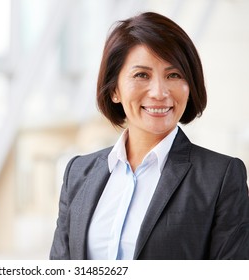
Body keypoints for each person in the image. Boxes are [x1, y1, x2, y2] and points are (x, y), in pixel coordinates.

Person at [50, 12, 249, 260]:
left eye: (174, 75)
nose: (159, 92)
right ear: (114, 90)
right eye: (141, 75)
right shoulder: (78, 173)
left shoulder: (221, 177)